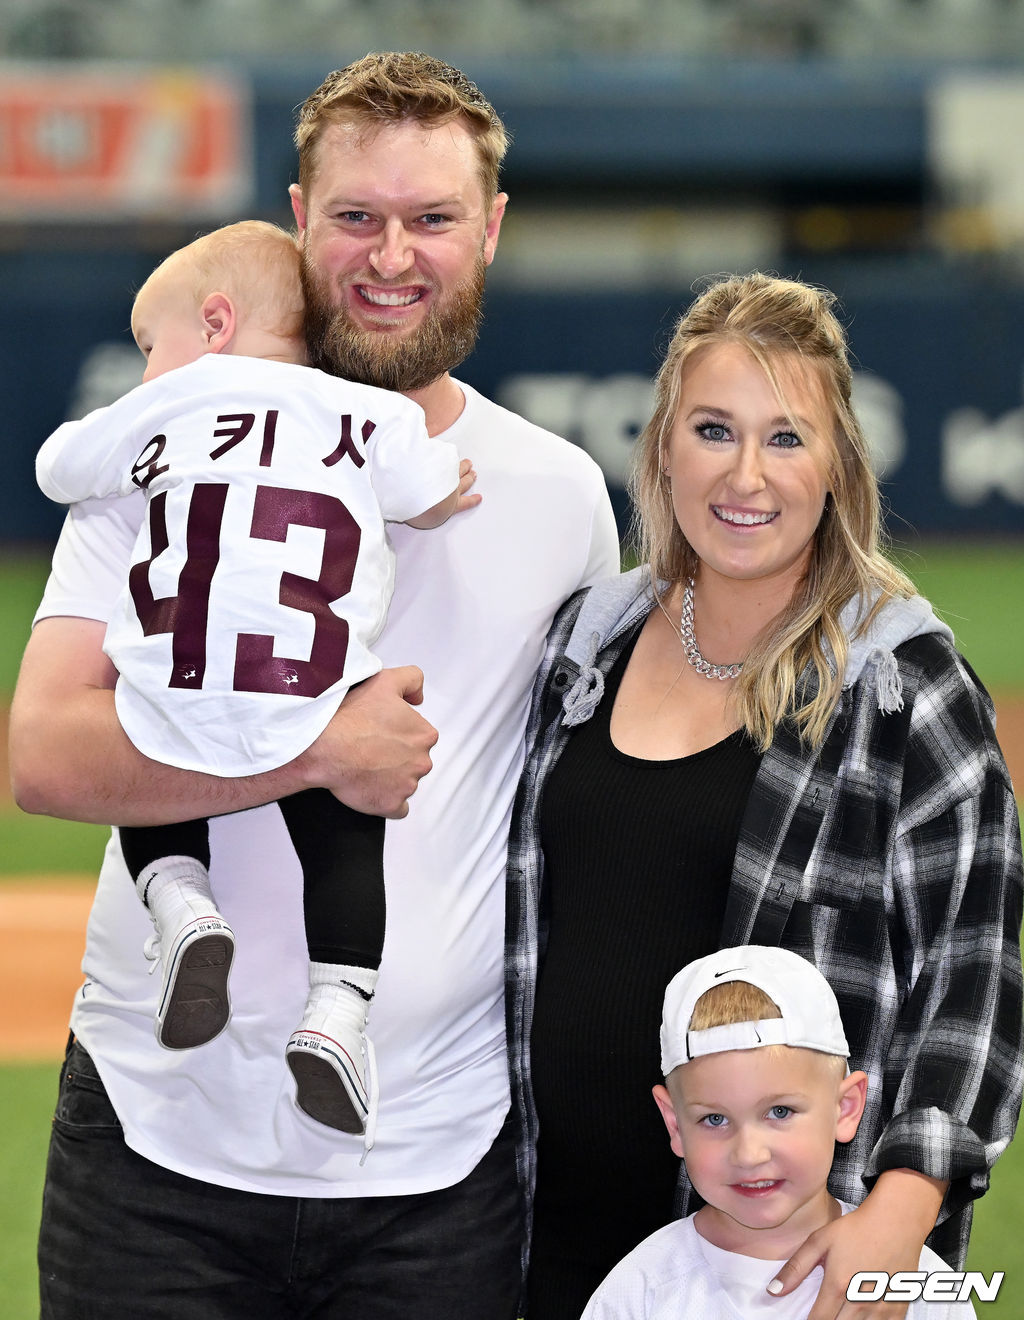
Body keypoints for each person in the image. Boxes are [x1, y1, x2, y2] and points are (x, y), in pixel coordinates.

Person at [10, 53, 621, 1319]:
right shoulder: (168, 444)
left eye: (432, 218)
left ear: (490, 230)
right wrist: (318, 754)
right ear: (297, 218)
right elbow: (44, 757)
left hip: (437, 1167)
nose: (392, 255)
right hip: (151, 1150)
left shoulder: (559, 496)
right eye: (356, 216)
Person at [505, 272, 1023, 1319]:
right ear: (661, 447)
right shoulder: (582, 646)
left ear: (836, 465)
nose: (746, 474)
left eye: (786, 438)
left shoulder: (900, 682)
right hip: (545, 1244)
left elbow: (977, 980)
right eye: (713, 430)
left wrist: (895, 1218)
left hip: (784, 1271)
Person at [34, 217, 473, 1140]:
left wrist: (128, 430)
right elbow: (431, 488)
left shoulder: (163, 408)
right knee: (347, 834)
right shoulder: (366, 412)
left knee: (148, 758)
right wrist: (446, 487)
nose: (149, 370)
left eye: (152, 346)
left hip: (177, 676)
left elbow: (60, 467)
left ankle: (179, 898)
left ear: (218, 321)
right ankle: (339, 1010)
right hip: (313, 687)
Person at [581, 946, 979, 1319]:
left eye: (780, 1111)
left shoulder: (914, 1285)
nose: (749, 1154)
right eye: (715, 1119)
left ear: (845, 1108)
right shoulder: (641, 1289)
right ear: (674, 1123)